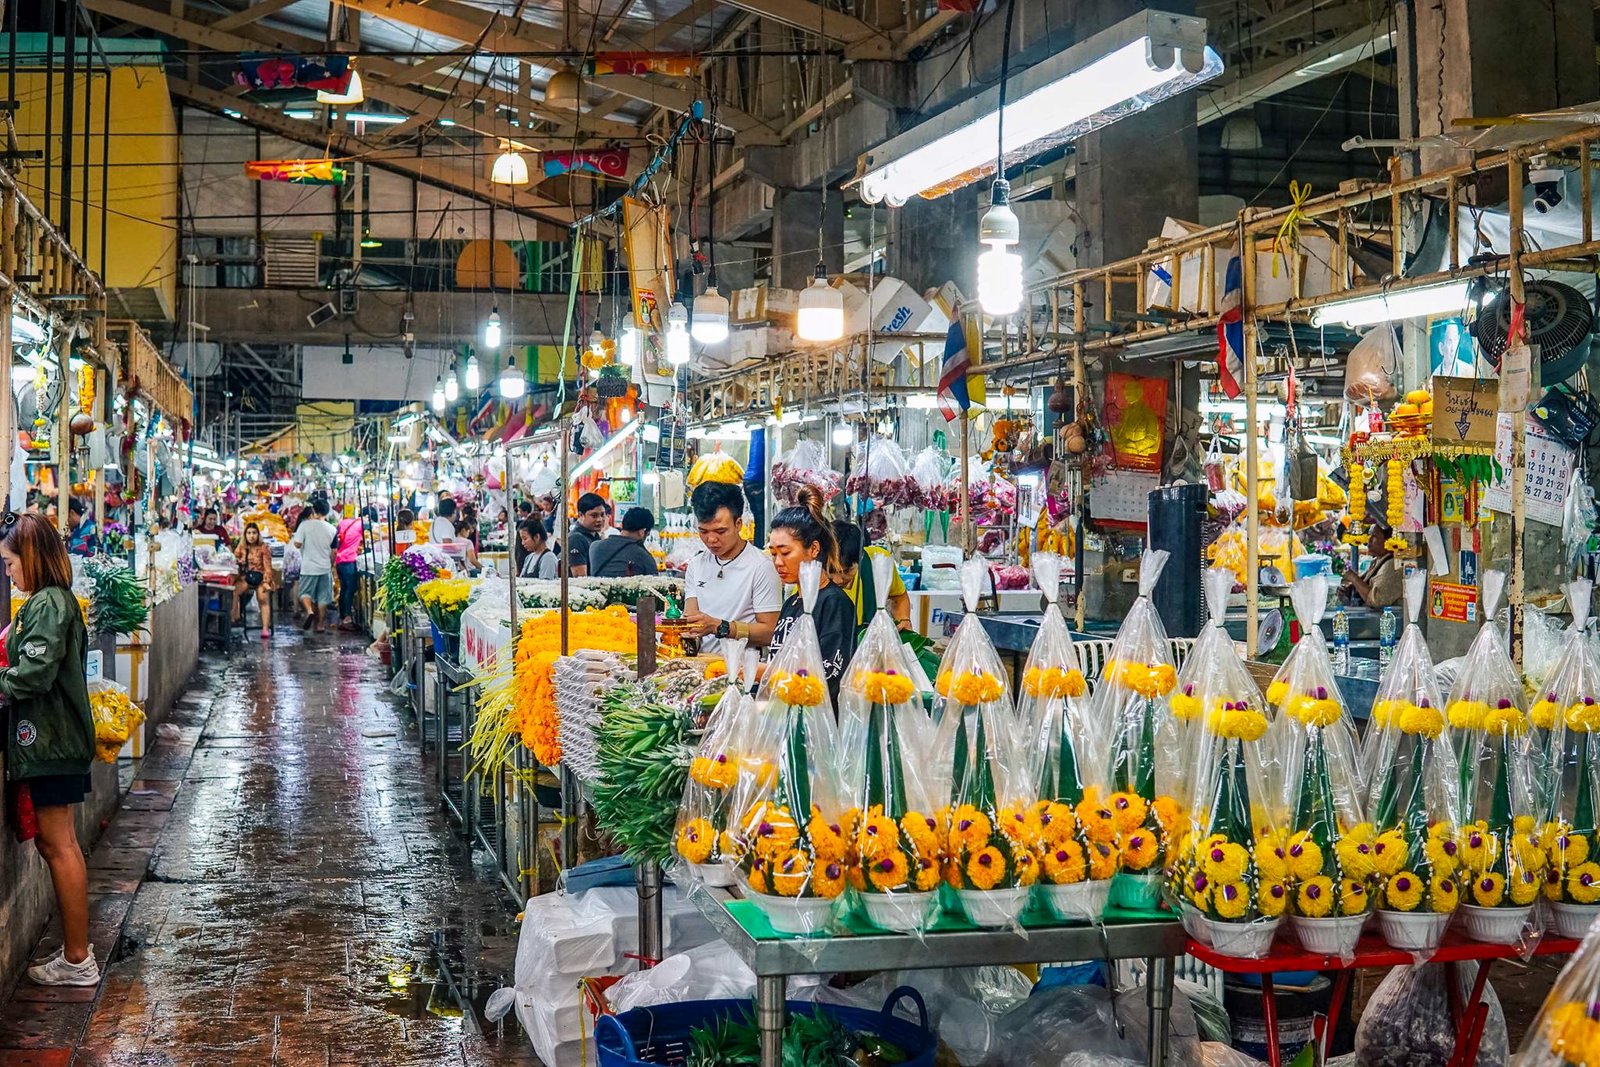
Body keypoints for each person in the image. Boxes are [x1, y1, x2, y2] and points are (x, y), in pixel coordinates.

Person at [0, 513, 97, 986]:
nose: (8, 572)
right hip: (57, 736)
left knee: (58, 846)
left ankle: (78, 960)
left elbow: (34, 674)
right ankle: (78, 954)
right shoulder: (49, 602)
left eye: (10, 561)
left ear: (31, 558)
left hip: (52, 738)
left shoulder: (49, 604)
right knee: (62, 845)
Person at [767, 487, 857, 703]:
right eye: (773, 553)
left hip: (818, 725)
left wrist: (767, 674)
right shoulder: (791, 603)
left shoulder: (834, 603)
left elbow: (829, 674)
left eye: (785, 552)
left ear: (814, 549)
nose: (778, 562)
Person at [682, 482, 780, 654]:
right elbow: (691, 623)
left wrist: (721, 627)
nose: (711, 540)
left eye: (720, 531)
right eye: (704, 531)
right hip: (701, 669)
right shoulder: (696, 565)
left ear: (738, 524)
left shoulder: (761, 567)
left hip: (743, 671)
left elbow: (770, 632)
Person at [832, 520, 911, 632]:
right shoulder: (811, 577)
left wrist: (904, 620)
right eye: (832, 571)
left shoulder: (878, 562)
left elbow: (899, 597)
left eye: (847, 571)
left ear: (861, 558)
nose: (838, 580)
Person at [292, 499, 338, 632]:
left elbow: (297, 544)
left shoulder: (305, 525)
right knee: (323, 597)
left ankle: (310, 611)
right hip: (324, 567)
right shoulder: (332, 529)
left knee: (304, 593)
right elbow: (334, 551)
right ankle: (321, 625)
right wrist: (330, 565)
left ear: (313, 510)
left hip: (308, 567)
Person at [1341, 517, 1404, 608]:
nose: (1369, 540)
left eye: (1374, 537)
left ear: (1388, 541)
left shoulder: (1392, 565)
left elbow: (1376, 600)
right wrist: (1349, 591)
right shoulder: (1377, 561)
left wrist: (1353, 577)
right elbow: (1364, 585)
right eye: (1369, 536)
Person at [231, 522, 276, 639]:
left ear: (258, 534)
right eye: (249, 533)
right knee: (235, 591)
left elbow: (268, 568)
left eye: (254, 533)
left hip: (261, 577)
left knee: (262, 598)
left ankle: (265, 628)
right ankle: (235, 617)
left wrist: (266, 582)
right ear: (245, 535)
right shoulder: (241, 547)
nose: (251, 536)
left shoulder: (264, 547)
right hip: (246, 577)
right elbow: (233, 560)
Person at [589, 507, 659, 577]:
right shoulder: (643, 555)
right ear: (642, 532)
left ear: (622, 525)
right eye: (648, 534)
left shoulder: (595, 547)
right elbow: (654, 581)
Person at [333, 508, 364, 631]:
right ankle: (347, 618)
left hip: (340, 559)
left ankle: (342, 615)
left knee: (344, 588)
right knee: (351, 589)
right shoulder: (360, 524)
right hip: (349, 560)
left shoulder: (342, 523)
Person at [566, 493, 608, 577]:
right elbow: (580, 577)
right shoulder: (576, 539)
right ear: (581, 515)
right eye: (594, 515)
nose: (600, 519)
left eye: (602, 515)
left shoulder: (596, 536)